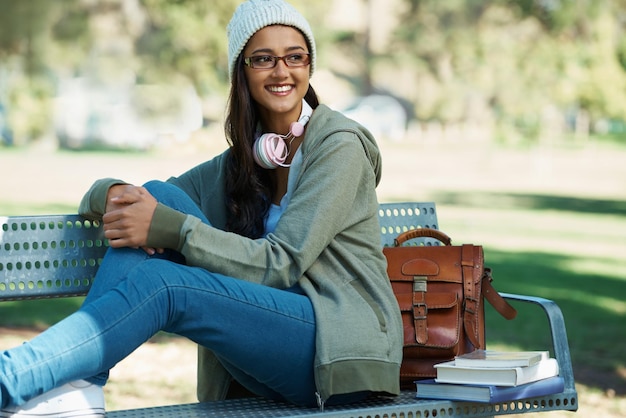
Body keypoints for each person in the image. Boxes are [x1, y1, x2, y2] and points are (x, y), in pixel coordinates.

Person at [0, 0, 403, 415]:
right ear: (241, 70)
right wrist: (113, 192)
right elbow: (146, 198)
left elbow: (281, 262)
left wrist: (174, 231)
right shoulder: (246, 161)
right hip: (268, 340)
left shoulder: (339, 146)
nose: (282, 71)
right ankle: (80, 383)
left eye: (294, 57)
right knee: (159, 192)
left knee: (166, 283)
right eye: (263, 59)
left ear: (308, 66)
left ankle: (13, 379)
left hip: (334, 347)